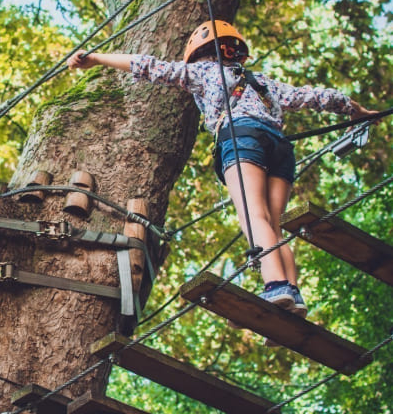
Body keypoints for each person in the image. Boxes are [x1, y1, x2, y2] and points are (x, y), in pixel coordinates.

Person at [68, 20, 376, 322]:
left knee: (253, 216)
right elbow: (317, 97)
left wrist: (96, 59)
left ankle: (277, 286)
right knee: (272, 224)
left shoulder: (203, 71)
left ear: (200, 53)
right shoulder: (265, 83)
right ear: (236, 52)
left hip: (242, 140)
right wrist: (357, 111)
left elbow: (147, 66)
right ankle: (293, 293)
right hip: (280, 148)